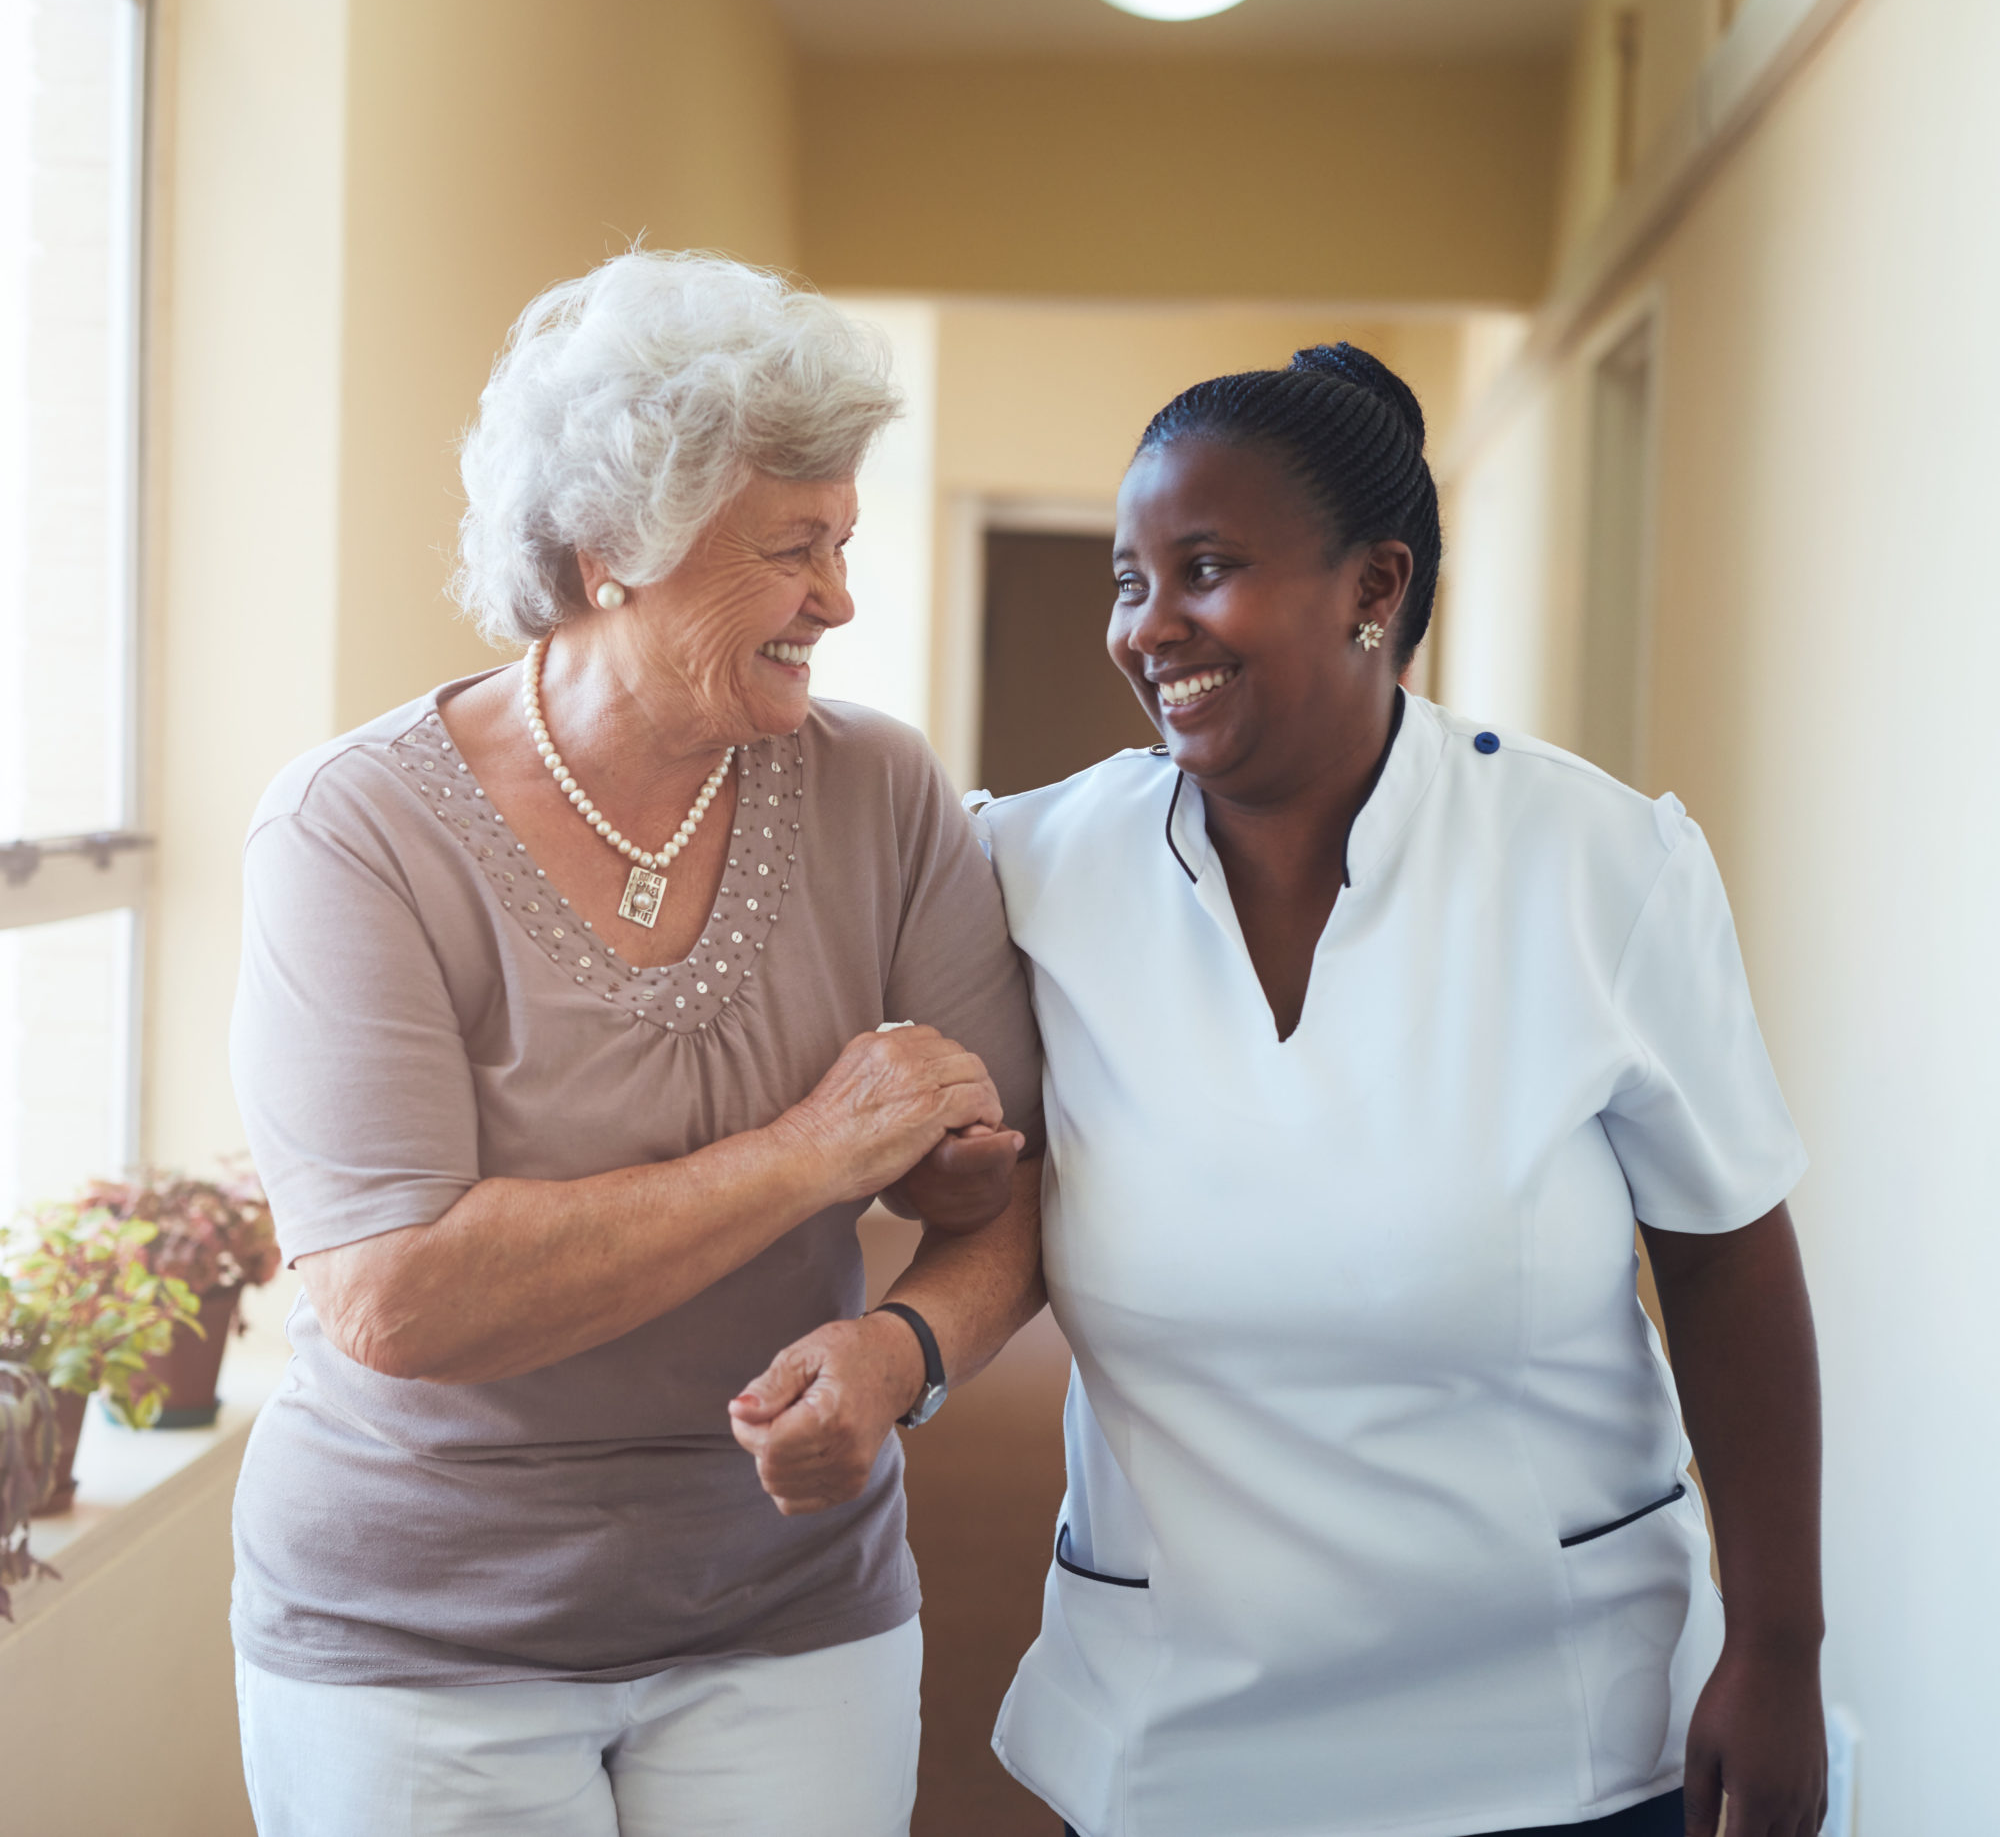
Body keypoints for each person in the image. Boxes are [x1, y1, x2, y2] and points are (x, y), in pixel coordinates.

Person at [743, 344, 1826, 1837]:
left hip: (1558, 1729)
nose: (1149, 627)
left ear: (1375, 588)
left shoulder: (1596, 867)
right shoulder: (1031, 868)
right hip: (1177, 1734)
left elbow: (1727, 1262)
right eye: (1130, 579)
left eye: (1206, 568)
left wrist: (1779, 1647)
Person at [226, 251, 1045, 1837]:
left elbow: (1002, 1194)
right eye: (794, 549)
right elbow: (399, 1295)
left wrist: (904, 1346)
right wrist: (814, 1154)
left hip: (792, 1607)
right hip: (417, 1640)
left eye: (848, 542)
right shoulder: (355, 830)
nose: (842, 600)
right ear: (613, 551)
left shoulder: (881, 791)